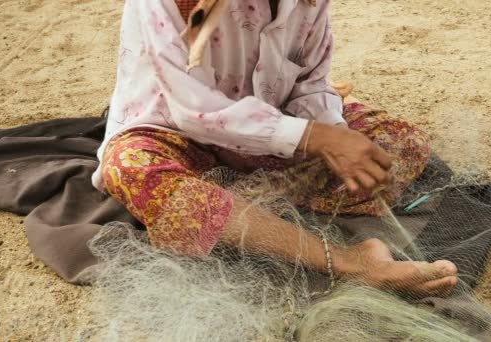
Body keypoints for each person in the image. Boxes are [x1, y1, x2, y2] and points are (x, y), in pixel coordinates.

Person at [92, 0, 458, 297]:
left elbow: (310, 84)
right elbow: (195, 112)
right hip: (171, 132)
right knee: (128, 168)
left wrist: (335, 135)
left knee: (401, 142)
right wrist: (317, 139)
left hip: (273, 126)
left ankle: (226, 213)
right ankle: (353, 263)